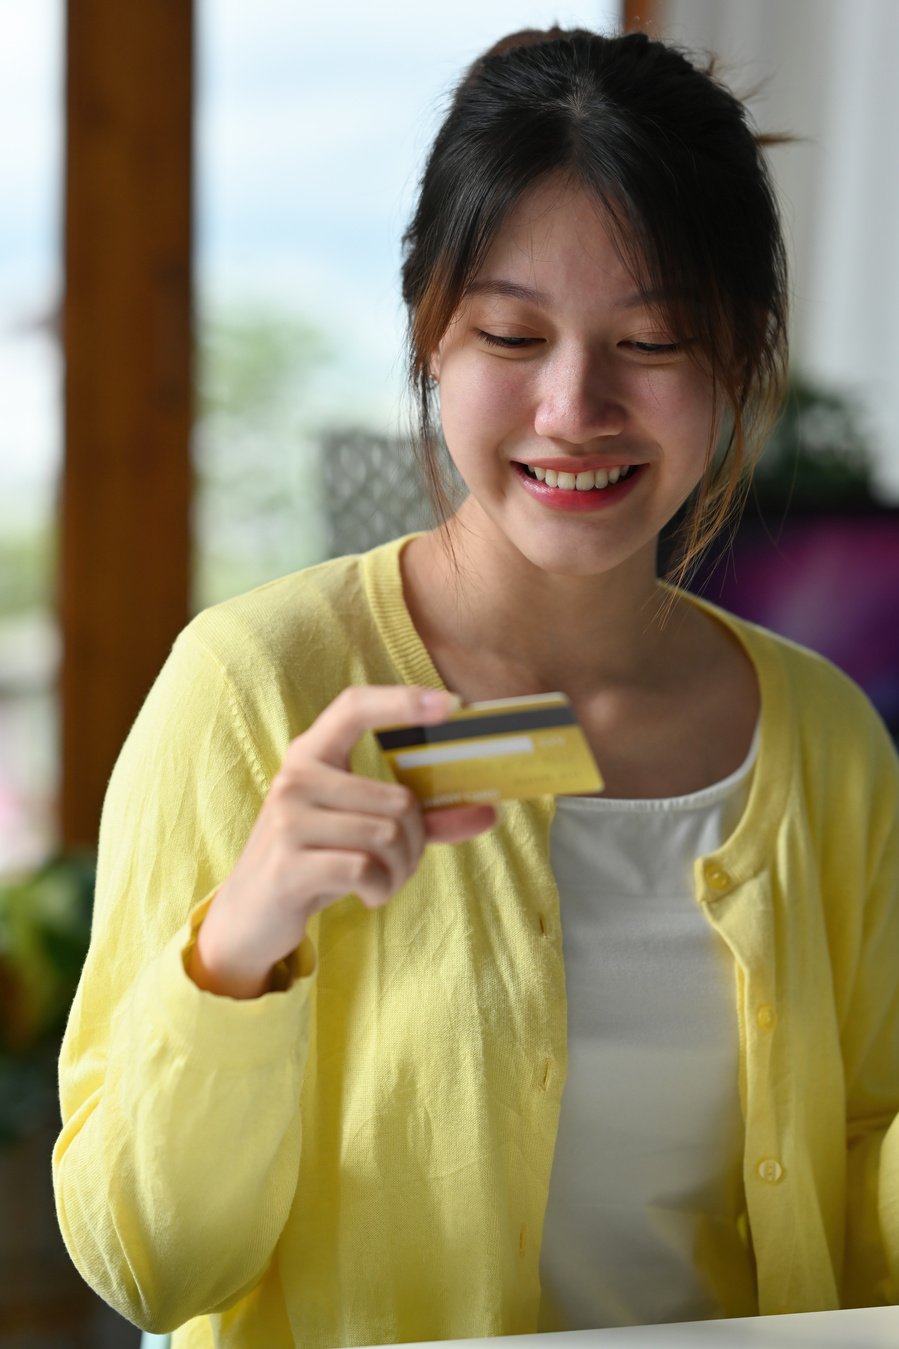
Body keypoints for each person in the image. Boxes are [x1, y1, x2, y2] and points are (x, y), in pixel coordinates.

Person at [53, 25, 898, 1348]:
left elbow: (862, 1189)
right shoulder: (252, 683)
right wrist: (243, 941)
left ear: (737, 362)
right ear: (430, 339)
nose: (575, 405)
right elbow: (148, 1265)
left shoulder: (828, 742)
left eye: (655, 342)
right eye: (512, 331)